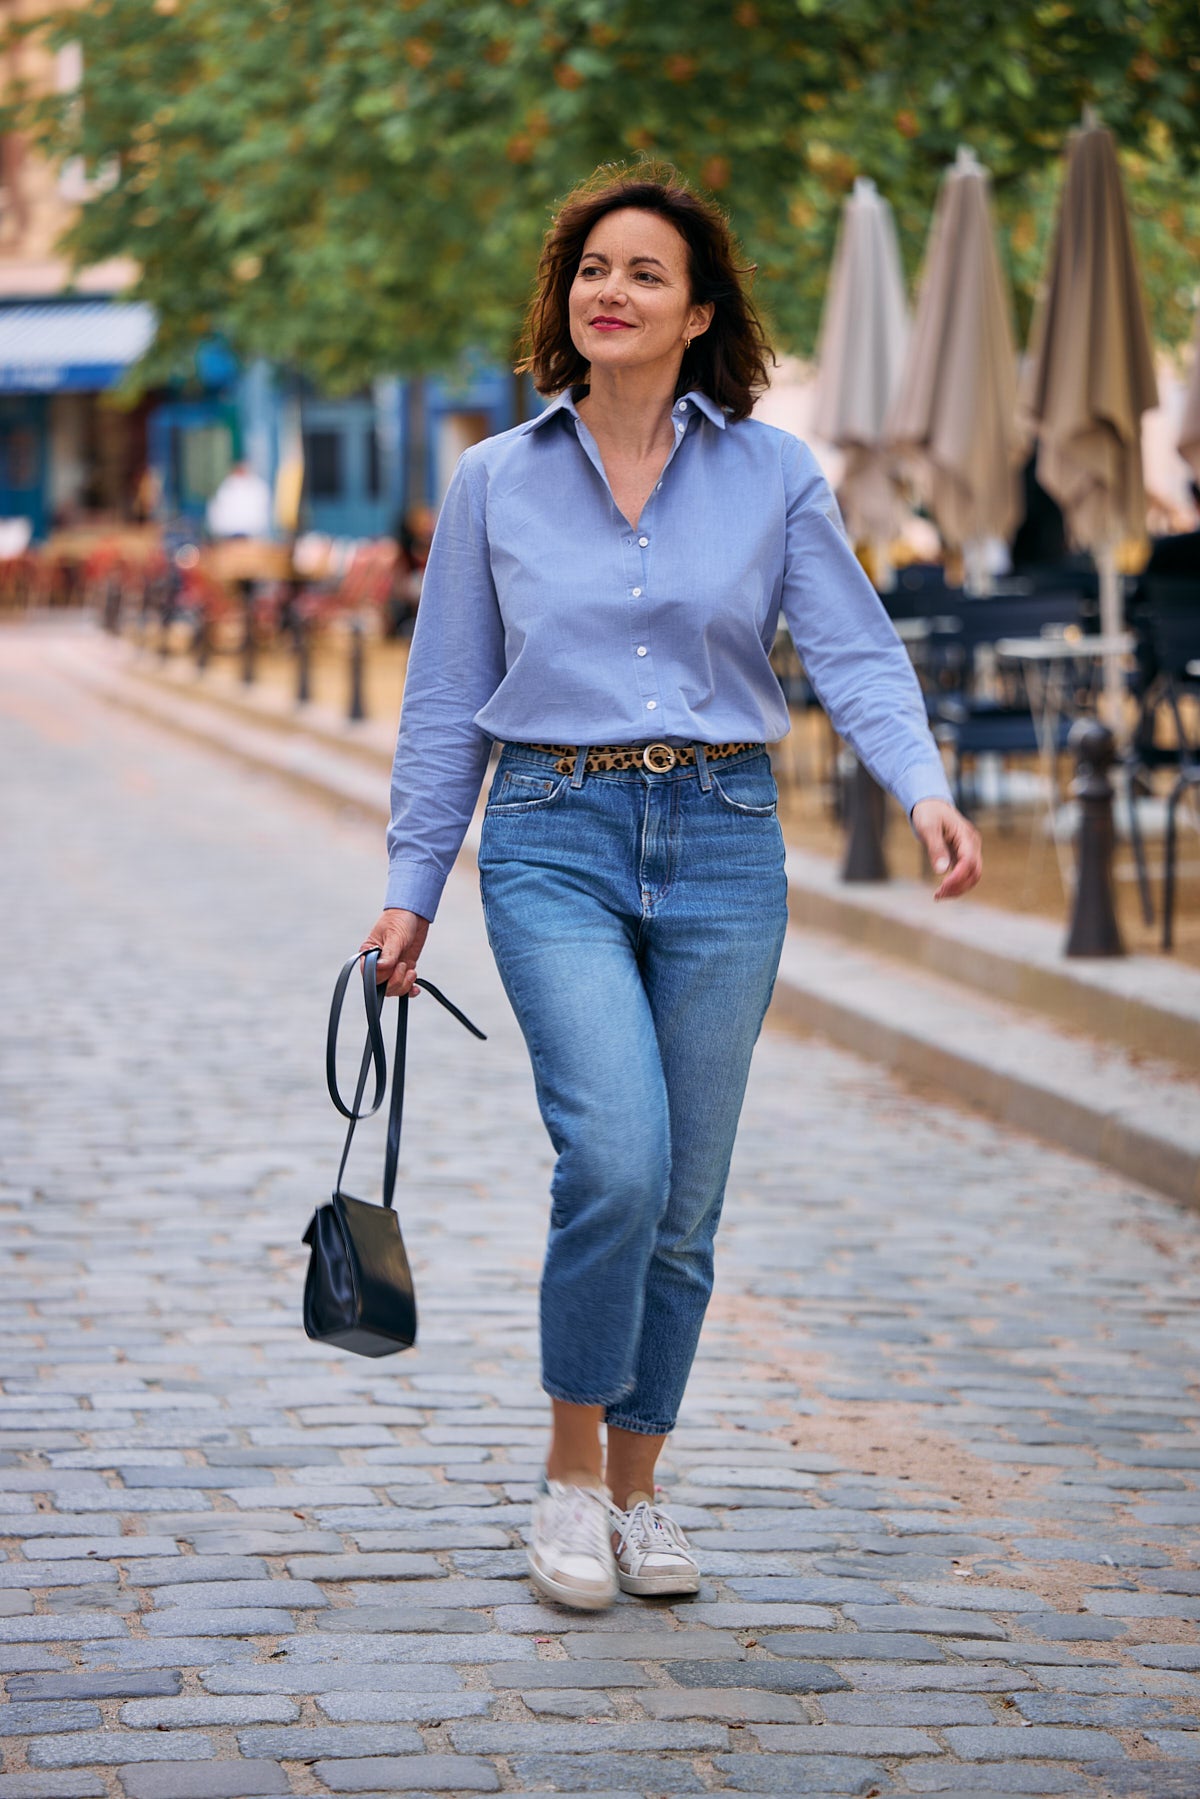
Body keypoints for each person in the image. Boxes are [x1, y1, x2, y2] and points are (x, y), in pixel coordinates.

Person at [362, 164, 982, 1613]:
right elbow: (447, 698)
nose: (611, 291)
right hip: (552, 835)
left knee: (686, 1204)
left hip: (718, 839)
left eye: (645, 272)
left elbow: (853, 651)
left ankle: (643, 1490)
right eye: (592, 268)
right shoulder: (496, 477)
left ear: (699, 311)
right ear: (564, 301)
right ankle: (570, 1476)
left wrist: (928, 787)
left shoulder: (770, 474)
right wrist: (413, 885)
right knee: (618, 1162)